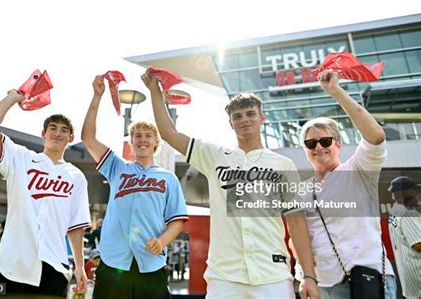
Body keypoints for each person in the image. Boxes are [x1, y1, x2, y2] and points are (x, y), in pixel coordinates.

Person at [142, 69, 319, 299]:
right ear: (231, 123)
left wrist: (308, 276)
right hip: (224, 277)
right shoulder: (215, 156)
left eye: (250, 114)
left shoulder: (283, 165)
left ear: (261, 118)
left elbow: (296, 222)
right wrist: (155, 92)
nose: (244, 119)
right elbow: (168, 132)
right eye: (238, 116)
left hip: (272, 275)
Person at [0, 89, 91, 297]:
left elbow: (76, 226)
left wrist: (80, 266)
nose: (57, 133)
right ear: (43, 134)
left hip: (53, 267)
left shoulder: (76, 176)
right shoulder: (20, 158)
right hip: (8, 264)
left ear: (70, 137)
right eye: (52, 128)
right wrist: (13, 98)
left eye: (64, 130)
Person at [81, 75, 188, 299]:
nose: (142, 139)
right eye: (137, 135)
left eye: (148, 136)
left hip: (150, 264)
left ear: (156, 142)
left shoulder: (168, 178)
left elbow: (177, 221)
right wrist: (97, 96)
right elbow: (88, 138)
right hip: (113, 263)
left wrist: (162, 241)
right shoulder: (117, 168)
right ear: (131, 141)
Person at [294, 70, 396, 298]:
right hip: (324, 284)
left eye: (325, 140)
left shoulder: (359, 169)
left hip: (368, 276)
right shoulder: (301, 191)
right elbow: (298, 239)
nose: (318, 147)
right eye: (311, 142)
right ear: (305, 150)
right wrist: (304, 277)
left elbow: (376, 136)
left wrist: (335, 91)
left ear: (338, 144)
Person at [387, 176, 420, 299]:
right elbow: (418, 244)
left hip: (407, 273)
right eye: (414, 191)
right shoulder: (408, 212)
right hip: (417, 271)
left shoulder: (395, 210)